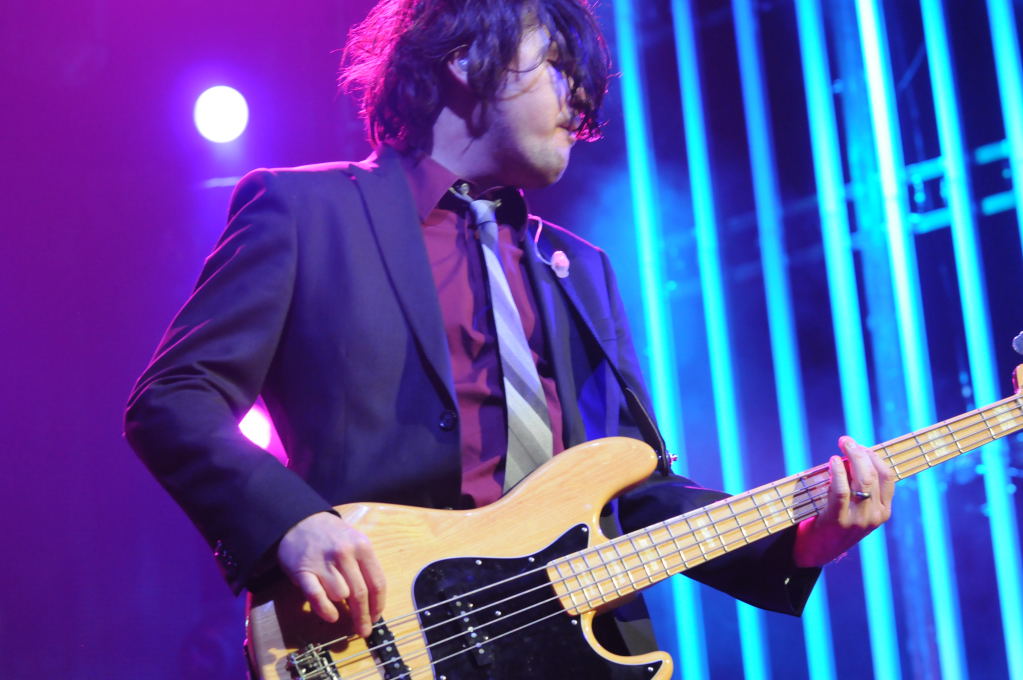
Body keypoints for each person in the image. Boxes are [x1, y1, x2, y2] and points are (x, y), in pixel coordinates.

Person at [125, 0, 894, 664]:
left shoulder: (577, 268)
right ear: (465, 58)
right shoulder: (307, 214)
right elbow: (173, 399)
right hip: (383, 640)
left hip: (575, 654)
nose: (579, 97)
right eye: (556, 63)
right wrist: (289, 522)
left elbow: (633, 489)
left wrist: (797, 541)